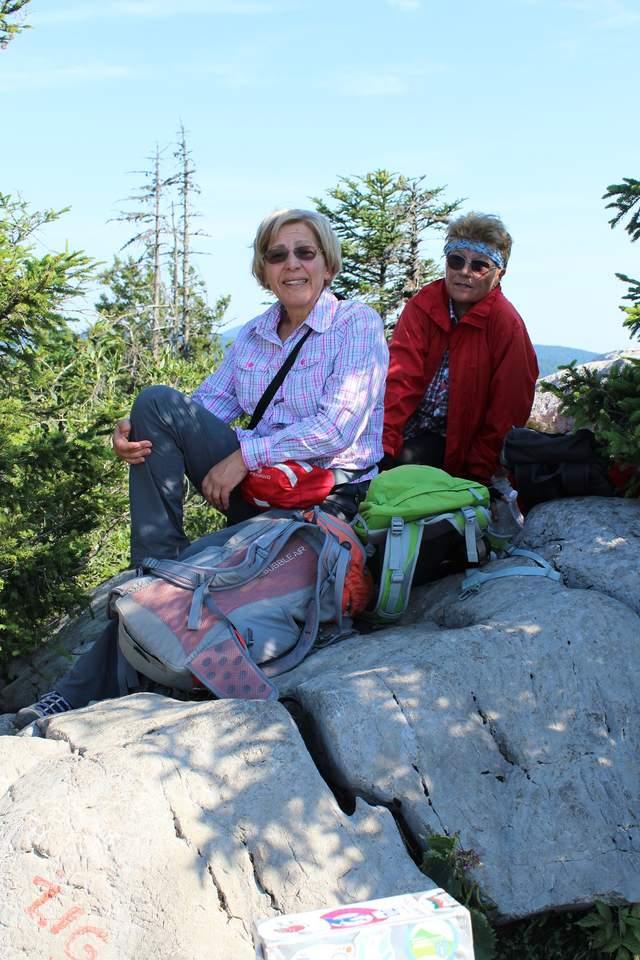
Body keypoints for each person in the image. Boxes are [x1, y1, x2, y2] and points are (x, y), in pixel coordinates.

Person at [15, 208, 388, 728]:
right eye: (277, 255)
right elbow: (203, 406)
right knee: (155, 403)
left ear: (328, 264)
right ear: (263, 269)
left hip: (320, 496)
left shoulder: (355, 324)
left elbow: (337, 429)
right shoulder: (255, 335)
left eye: (306, 252)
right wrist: (132, 430)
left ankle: (78, 687)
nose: (292, 264)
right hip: (260, 487)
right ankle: (156, 564)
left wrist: (244, 456)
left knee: (185, 581)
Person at [381, 212, 538, 485]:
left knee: (404, 469)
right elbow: (399, 380)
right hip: (410, 432)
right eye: (456, 261)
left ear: (499, 274)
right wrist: (383, 447)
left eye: (479, 266)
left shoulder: (506, 324)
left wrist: (478, 472)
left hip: (461, 448)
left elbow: (508, 408)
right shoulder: (423, 306)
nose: (465, 272)